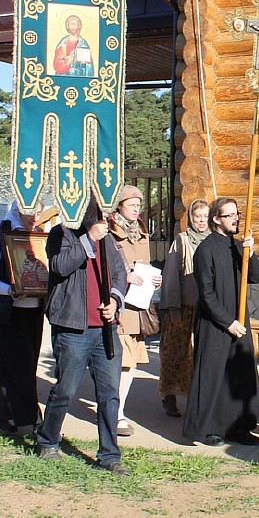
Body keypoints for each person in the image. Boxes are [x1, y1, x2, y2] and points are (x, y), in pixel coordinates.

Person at [35, 198, 129, 474]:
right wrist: (89, 239)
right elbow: (60, 266)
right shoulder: (61, 234)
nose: (105, 216)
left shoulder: (107, 239)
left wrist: (115, 300)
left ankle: (109, 455)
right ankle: (48, 440)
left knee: (109, 394)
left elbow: (119, 273)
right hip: (73, 327)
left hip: (105, 329)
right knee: (65, 390)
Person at [182, 197, 259, 446]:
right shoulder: (205, 250)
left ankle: (239, 426)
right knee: (213, 376)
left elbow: (256, 277)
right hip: (215, 322)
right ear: (216, 219)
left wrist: (250, 252)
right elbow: (206, 293)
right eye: (230, 215)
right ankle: (209, 429)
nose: (236, 219)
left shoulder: (238, 246)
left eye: (237, 214)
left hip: (239, 318)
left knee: (240, 373)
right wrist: (227, 322)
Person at [0, 201, 48, 437]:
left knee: (23, 365)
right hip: (6, 312)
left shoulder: (38, 237)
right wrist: (8, 290)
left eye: (38, 211)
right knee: (13, 367)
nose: (35, 216)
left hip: (32, 311)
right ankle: (33, 421)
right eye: (30, 212)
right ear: (18, 210)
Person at [108, 184, 161, 437]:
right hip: (117, 307)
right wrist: (124, 276)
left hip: (137, 308)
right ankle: (113, 412)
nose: (136, 209)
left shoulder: (141, 232)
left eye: (138, 205)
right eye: (131, 204)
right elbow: (103, 268)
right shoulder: (109, 233)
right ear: (119, 206)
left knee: (130, 365)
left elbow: (144, 265)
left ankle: (118, 411)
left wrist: (154, 279)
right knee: (119, 362)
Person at [157, 200, 211, 417]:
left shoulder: (213, 240)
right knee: (176, 354)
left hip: (205, 308)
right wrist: (173, 308)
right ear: (190, 218)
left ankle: (198, 400)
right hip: (183, 308)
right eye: (197, 216)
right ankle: (170, 396)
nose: (201, 221)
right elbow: (171, 275)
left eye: (205, 216)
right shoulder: (183, 240)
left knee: (200, 356)